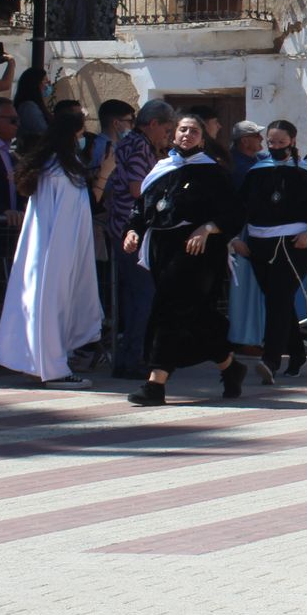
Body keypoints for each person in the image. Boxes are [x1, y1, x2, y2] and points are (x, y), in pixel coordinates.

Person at [120, 115, 248, 406]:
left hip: (197, 251)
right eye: (182, 129)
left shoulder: (213, 172)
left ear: (203, 139)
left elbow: (234, 212)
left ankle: (156, 384)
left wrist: (208, 228)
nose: (187, 134)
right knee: (194, 317)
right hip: (162, 249)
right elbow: (142, 208)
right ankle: (229, 365)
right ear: (173, 135)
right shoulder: (162, 169)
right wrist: (133, 231)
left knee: (169, 310)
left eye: (193, 131)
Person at [0, 111, 102, 389]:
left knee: (44, 303)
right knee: (52, 303)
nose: (82, 139)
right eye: (80, 134)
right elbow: (65, 218)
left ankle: (40, 362)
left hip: (53, 249)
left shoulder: (58, 166)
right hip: (56, 250)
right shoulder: (59, 171)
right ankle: (53, 368)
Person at [230, 120, 307, 382]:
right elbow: (239, 209)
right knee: (279, 300)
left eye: (281, 142)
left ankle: (271, 360)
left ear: (293, 141)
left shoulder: (305, 172)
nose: (275, 147)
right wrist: (234, 238)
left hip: (293, 245)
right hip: (258, 246)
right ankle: (296, 354)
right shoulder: (256, 172)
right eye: (271, 142)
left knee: (278, 297)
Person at [104, 99, 173, 379]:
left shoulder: (132, 143)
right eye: (167, 130)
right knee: (143, 297)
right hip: (130, 231)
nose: (167, 136)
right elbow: (137, 188)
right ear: (154, 124)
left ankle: (129, 357)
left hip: (124, 228)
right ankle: (133, 358)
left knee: (136, 297)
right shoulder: (139, 146)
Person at [12, 67, 53, 143]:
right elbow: (42, 131)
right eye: (45, 82)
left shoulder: (32, 106)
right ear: (35, 84)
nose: (47, 86)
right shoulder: (28, 107)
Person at [228, 120, 264, 188]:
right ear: (245, 141)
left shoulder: (255, 156)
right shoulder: (239, 167)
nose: (261, 138)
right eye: (257, 135)